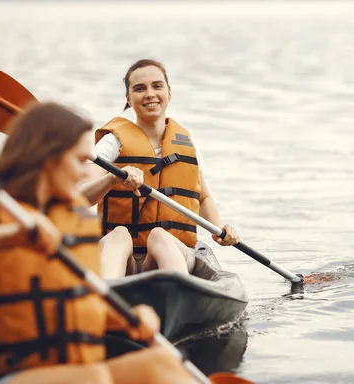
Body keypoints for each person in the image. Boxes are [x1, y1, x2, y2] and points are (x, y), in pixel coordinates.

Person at [0, 102, 196, 384]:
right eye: (79, 161)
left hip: (75, 371)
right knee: (93, 378)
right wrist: (10, 235)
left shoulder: (70, 215)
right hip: (7, 376)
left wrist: (127, 318)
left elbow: (73, 307)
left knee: (162, 364)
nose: (84, 171)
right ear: (50, 157)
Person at [80, 59, 240, 279]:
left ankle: (180, 292)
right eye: (139, 88)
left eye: (157, 86)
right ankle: (108, 296)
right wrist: (111, 179)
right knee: (119, 234)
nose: (149, 94)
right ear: (128, 98)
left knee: (159, 235)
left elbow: (203, 198)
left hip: (172, 250)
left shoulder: (187, 146)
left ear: (169, 93)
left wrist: (219, 230)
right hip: (122, 258)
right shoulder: (111, 143)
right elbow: (78, 197)